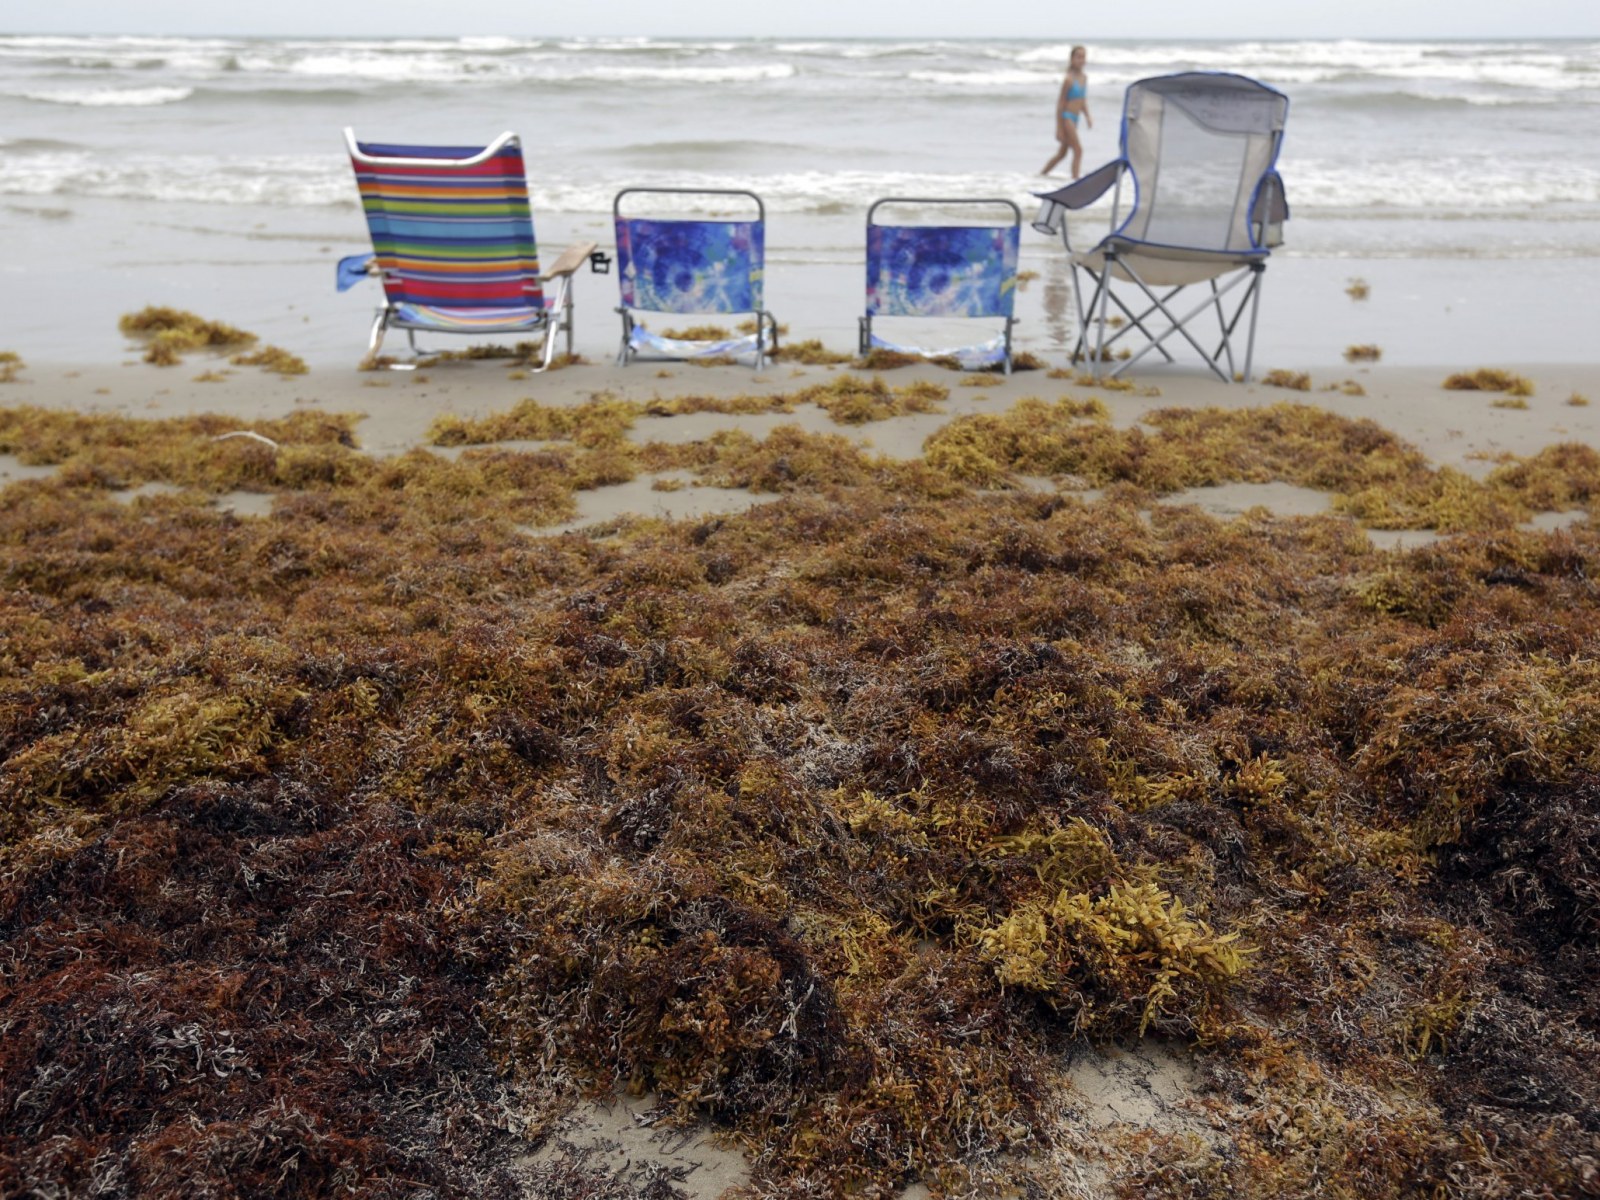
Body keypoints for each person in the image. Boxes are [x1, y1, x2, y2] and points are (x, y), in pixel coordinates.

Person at [1041, 45, 1092, 178]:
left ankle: (1042, 174)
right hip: (1066, 117)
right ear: (1072, 59)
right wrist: (1059, 128)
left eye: (1083, 57)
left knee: (1062, 153)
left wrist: (1087, 116)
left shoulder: (1084, 78)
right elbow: (1060, 103)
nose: (1081, 60)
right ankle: (1076, 179)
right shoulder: (1068, 79)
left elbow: (1082, 100)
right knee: (1078, 150)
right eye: (1078, 57)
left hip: (1076, 118)